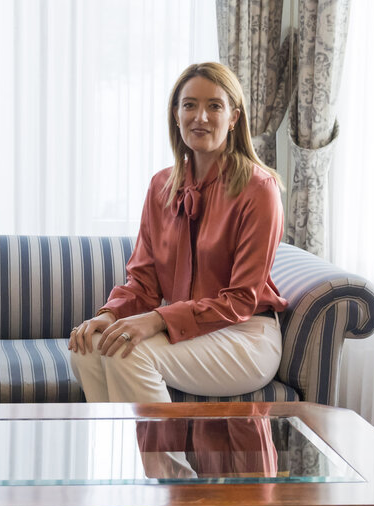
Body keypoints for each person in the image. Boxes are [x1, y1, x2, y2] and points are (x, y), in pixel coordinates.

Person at [68, 62, 288, 403]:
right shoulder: (161, 186)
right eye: (189, 105)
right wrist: (110, 314)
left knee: (130, 353)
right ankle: (130, 452)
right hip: (187, 332)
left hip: (245, 334)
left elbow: (242, 299)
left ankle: (164, 458)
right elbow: (142, 282)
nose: (200, 116)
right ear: (176, 114)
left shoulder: (259, 189)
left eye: (214, 106)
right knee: (87, 347)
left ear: (233, 118)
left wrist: (156, 320)